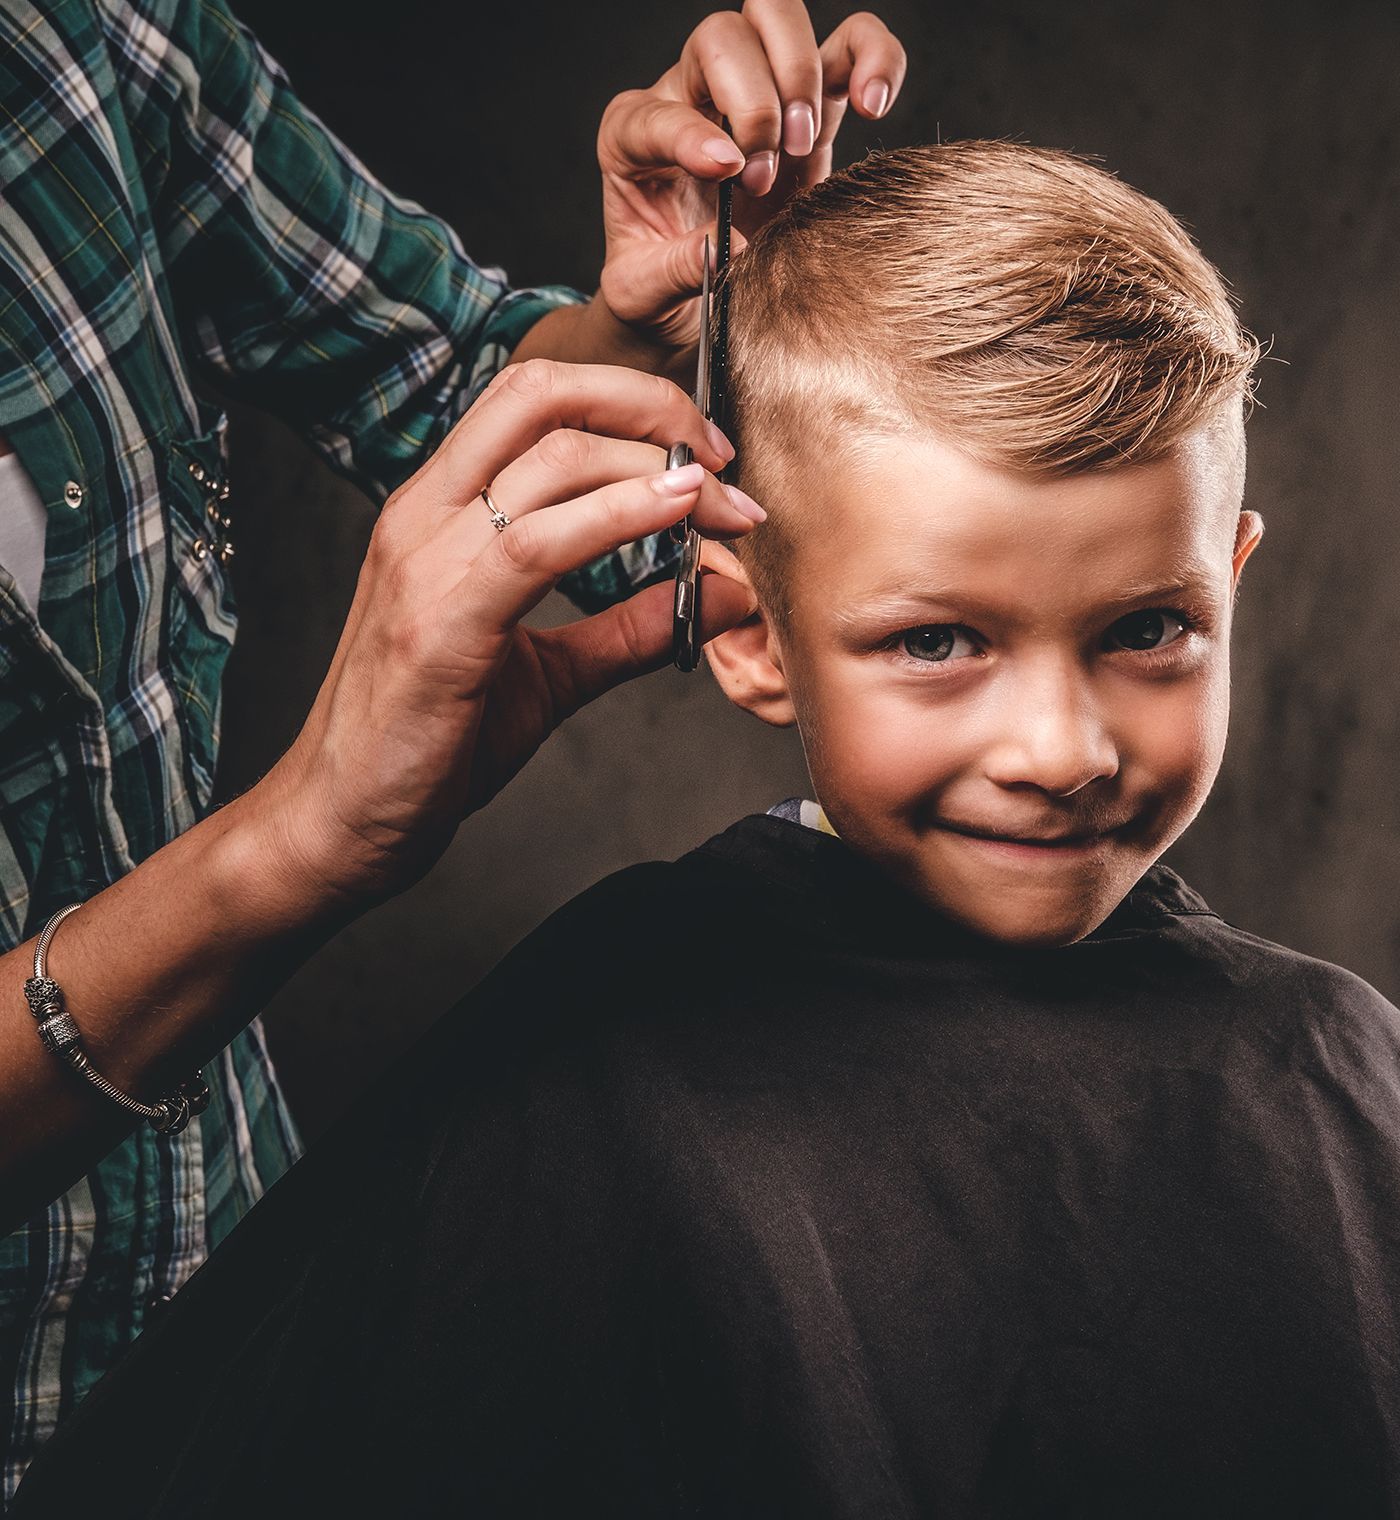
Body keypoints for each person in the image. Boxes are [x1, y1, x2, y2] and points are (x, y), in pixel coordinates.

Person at [14, 142, 1400, 1518]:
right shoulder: (605, 1085)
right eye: (938, 641)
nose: (1065, 745)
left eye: (1148, 631)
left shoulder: (1319, 1062)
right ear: (743, 632)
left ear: (1234, 583)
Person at [0, 0, 905, 1497]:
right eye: (939, 639)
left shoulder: (83, 37)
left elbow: (453, 388)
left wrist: (659, 318)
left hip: (222, 1306)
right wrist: (293, 843)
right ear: (754, 652)